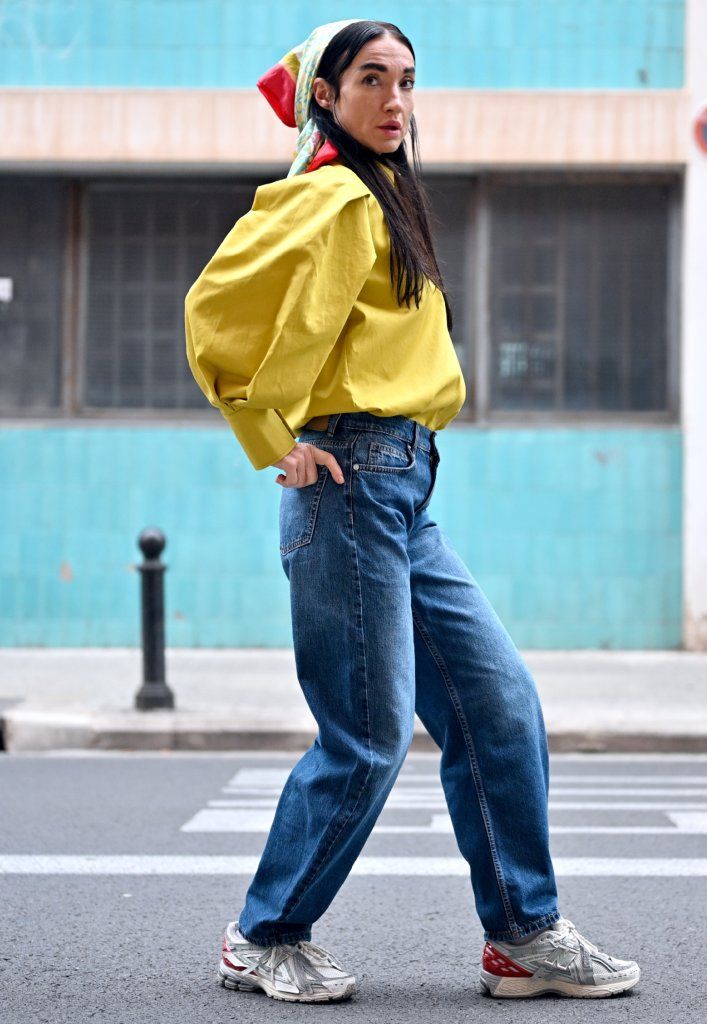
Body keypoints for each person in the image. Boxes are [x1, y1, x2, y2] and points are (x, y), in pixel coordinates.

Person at [184, 18, 641, 1005]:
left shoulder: (382, 196)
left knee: (498, 707)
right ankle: (264, 933)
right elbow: (212, 310)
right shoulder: (333, 197)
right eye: (370, 80)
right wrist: (271, 436)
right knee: (368, 735)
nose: (395, 100)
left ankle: (522, 933)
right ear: (325, 95)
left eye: (406, 81)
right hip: (349, 481)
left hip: (402, 490)